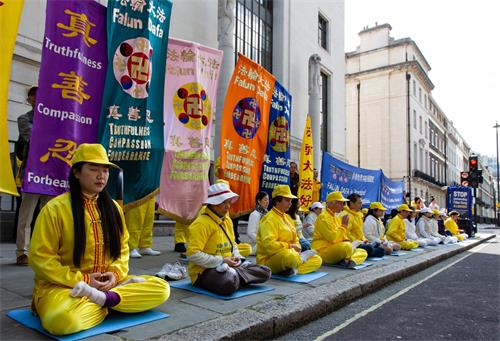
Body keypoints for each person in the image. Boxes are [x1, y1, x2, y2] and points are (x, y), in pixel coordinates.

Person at [29, 144, 169, 335]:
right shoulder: (55, 209)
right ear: (77, 173)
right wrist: (84, 280)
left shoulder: (114, 208)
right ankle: (109, 301)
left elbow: (122, 251)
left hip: (109, 283)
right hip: (64, 287)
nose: (101, 176)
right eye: (94, 169)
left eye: (105, 170)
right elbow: (40, 259)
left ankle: (101, 300)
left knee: (161, 288)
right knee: (61, 321)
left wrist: (115, 274)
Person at [186, 183, 271, 295]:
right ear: (212, 203)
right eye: (223, 202)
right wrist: (222, 260)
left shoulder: (227, 220)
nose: (227, 206)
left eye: (229, 202)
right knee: (229, 283)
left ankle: (236, 275)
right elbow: (193, 255)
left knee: (265, 272)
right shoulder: (201, 223)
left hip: (228, 264)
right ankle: (236, 277)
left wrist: (237, 257)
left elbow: (233, 245)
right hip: (204, 270)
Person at [15, 86, 53, 266]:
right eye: (34, 96)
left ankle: (44, 250)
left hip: (50, 172)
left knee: (48, 214)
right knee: (26, 213)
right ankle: (22, 251)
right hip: (32, 172)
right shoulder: (24, 119)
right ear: (29, 99)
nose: (38, 99)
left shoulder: (54, 117)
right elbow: (33, 137)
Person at [256, 185, 321, 276]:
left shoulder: (287, 218)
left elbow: (296, 239)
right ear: (277, 201)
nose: (290, 204)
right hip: (269, 259)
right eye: (287, 200)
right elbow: (269, 245)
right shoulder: (269, 219)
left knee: (317, 259)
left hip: (289, 254)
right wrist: (290, 246)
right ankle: (298, 262)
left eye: (290, 201)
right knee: (291, 256)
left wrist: (297, 248)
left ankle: (293, 270)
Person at [312, 191, 368, 267]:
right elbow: (333, 238)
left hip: (336, 247)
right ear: (331, 203)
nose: (343, 206)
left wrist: (349, 241)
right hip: (324, 249)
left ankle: (351, 261)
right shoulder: (323, 217)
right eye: (341, 203)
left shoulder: (335, 217)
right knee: (347, 247)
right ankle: (346, 259)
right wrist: (344, 225)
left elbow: (343, 236)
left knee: (363, 251)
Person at [339, 193, 385, 258]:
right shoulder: (346, 215)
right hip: (353, 243)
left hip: (361, 242)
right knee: (371, 248)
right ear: (352, 203)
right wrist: (359, 242)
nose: (361, 205)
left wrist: (364, 240)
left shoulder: (359, 215)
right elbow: (347, 234)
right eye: (359, 203)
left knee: (380, 250)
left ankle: (366, 252)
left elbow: (361, 232)